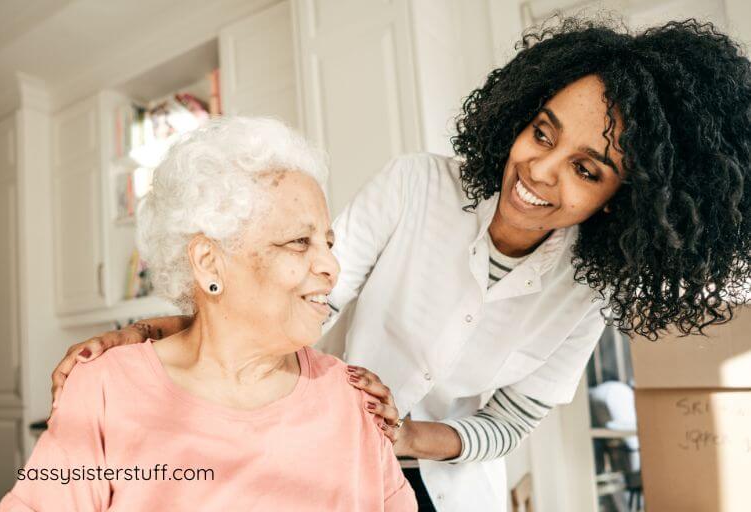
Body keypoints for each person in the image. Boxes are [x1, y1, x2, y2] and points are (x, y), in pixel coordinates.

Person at [51, 18, 751, 511]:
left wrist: (411, 435)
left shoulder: (586, 293)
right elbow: (303, 298)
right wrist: (151, 337)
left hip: (453, 489)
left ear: (623, 198)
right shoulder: (418, 187)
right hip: (330, 463)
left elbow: (510, 422)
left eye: (586, 168)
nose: (539, 169)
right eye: (542, 131)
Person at [0, 117, 417, 511]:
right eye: (298, 242)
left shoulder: (355, 399)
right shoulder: (104, 389)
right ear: (209, 262)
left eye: (328, 242)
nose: (332, 267)